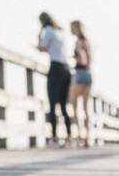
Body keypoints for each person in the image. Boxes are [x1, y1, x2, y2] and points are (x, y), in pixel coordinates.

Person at [36, 12, 71, 148]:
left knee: (52, 105)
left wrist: (39, 37)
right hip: (66, 69)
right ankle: (68, 138)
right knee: (63, 106)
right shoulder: (60, 32)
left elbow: (42, 47)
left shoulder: (49, 30)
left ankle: (54, 138)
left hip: (56, 67)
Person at [69, 19, 92, 148]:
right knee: (85, 108)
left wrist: (74, 58)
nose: (71, 30)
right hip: (88, 74)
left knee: (73, 105)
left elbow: (82, 59)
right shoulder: (88, 43)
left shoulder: (78, 42)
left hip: (79, 73)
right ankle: (87, 137)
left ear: (77, 28)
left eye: (72, 28)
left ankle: (78, 136)